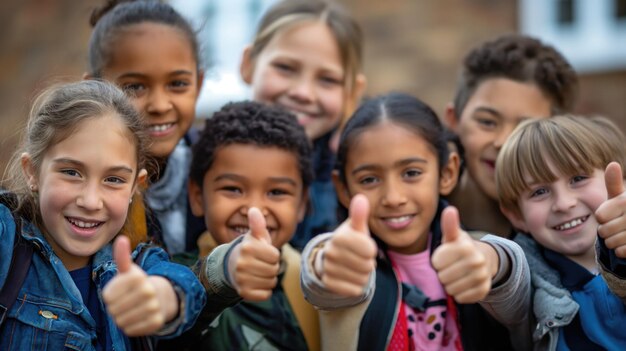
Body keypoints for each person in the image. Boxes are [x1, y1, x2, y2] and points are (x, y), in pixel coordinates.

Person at [300, 92, 529, 350]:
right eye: (369, 179)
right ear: (343, 189)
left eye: (411, 173)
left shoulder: (470, 251)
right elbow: (322, 274)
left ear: (447, 173)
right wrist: (326, 262)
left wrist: (492, 262)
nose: (393, 198)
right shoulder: (353, 263)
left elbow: (512, 280)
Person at [0, 80, 205, 350]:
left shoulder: (138, 266)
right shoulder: (8, 242)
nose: (90, 201)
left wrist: (160, 296)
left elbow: (185, 285)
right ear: (32, 172)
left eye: (113, 179)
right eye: (71, 173)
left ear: (136, 186)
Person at [159, 101, 320, 350]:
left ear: (302, 205)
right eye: (233, 189)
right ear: (197, 196)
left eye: (277, 191)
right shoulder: (171, 275)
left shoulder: (314, 287)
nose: (254, 210)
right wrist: (222, 273)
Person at [237, 0, 367, 251]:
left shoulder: (357, 182)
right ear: (248, 64)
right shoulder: (200, 157)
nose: (303, 93)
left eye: (328, 80)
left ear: (353, 92)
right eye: (285, 68)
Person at [85, 0, 205, 257]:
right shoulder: (79, 183)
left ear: (199, 83)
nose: (160, 105)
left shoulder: (215, 164)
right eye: (135, 87)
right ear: (95, 89)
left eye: (178, 83)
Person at [495, 115, 626, 350]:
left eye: (578, 178)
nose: (563, 204)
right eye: (539, 192)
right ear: (516, 215)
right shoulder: (527, 287)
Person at [444, 34, 579, 237]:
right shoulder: (414, 212)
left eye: (525, 128)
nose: (504, 142)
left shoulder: (577, 224)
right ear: (454, 120)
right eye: (487, 122)